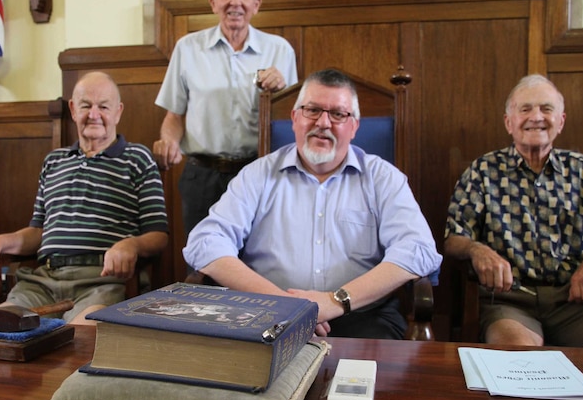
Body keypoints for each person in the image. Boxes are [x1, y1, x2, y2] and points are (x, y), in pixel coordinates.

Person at [183, 69, 442, 339]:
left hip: (362, 315)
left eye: (338, 114)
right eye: (313, 110)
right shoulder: (257, 175)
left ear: (354, 127)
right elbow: (206, 242)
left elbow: (418, 250)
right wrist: (285, 305)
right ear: (295, 118)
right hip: (265, 313)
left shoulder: (382, 178)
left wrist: (334, 302)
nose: (323, 123)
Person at [444, 74, 583, 348]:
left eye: (546, 109)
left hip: (578, 301)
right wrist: (478, 250)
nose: (536, 117)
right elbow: (454, 238)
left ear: (560, 121)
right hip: (510, 301)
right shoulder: (483, 171)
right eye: (525, 109)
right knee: (517, 361)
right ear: (509, 122)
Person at [0, 71, 168, 325]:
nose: (94, 114)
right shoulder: (54, 162)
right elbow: (38, 232)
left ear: (118, 111)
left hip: (102, 282)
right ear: (73, 109)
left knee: (81, 336)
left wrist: (131, 245)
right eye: (86, 106)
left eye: (103, 106)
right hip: (42, 282)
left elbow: (159, 235)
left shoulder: (138, 158)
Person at [153, 0, 298, 238]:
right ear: (213, 2)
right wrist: (169, 143)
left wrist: (281, 92)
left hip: (259, 175)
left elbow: (294, 121)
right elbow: (175, 116)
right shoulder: (187, 48)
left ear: (256, 4)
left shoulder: (280, 51)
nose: (235, 2)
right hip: (201, 176)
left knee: (257, 263)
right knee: (203, 263)